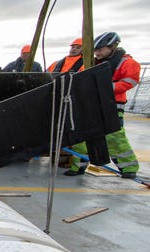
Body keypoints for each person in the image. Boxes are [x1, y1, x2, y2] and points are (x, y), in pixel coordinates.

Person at [64, 32, 140, 178]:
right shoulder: (91, 63)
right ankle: (78, 166)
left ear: (112, 46)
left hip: (112, 104)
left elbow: (131, 81)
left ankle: (129, 168)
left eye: (100, 49)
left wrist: (106, 87)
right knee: (81, 137)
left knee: (114, 137)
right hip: (90, 103)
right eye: (95, 50)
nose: (97, 53)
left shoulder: (127, 62)